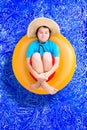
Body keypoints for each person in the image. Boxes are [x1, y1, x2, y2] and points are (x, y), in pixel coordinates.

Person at [26, 17, 60, 94]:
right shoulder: (32, 45)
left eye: (46, 32)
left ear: (49, 34)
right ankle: (44, 85)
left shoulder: (53, 45)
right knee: (36, 55)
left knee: (47, 54)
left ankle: (38, 84)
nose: (43, 35)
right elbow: (27, 63)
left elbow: (57, 63)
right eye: (40, 32)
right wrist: (37, 76)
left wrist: (47, 74)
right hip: (35, 74)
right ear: (37, 34)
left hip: (49, 74)